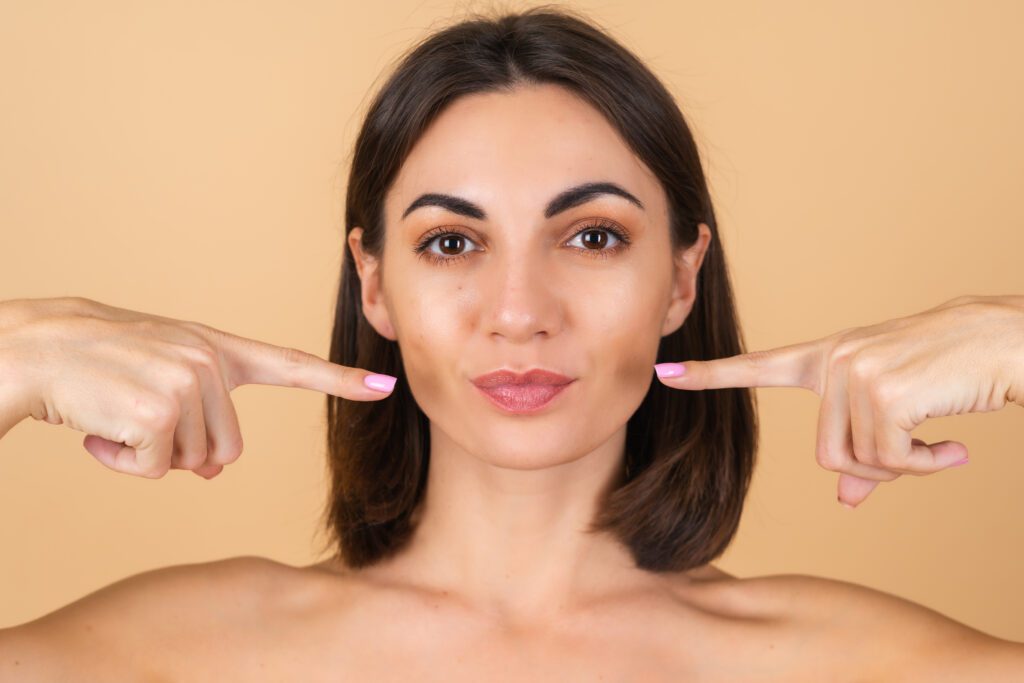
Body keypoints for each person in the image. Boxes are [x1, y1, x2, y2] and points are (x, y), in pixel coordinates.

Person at [1, 6, 1022, 680]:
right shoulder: (182, 653)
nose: (520, 309)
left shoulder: (855, 663)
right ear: (374, 283)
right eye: (451, 240)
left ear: (679, 276)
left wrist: (1012, 338)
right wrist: (13, 352)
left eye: (590, 236)